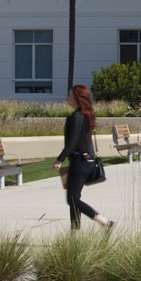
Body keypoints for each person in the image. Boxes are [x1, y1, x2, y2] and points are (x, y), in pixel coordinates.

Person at [54, 85, 115, 231]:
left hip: (81, 161)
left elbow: (72, 142)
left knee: (72, 199)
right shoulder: (85, 114)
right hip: (86, 159)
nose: (67, 97)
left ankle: (103, 221)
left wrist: (59, 159)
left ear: (77, 98)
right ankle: (75, 234)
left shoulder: (77, 116)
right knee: (74, 198)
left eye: (69, 95)